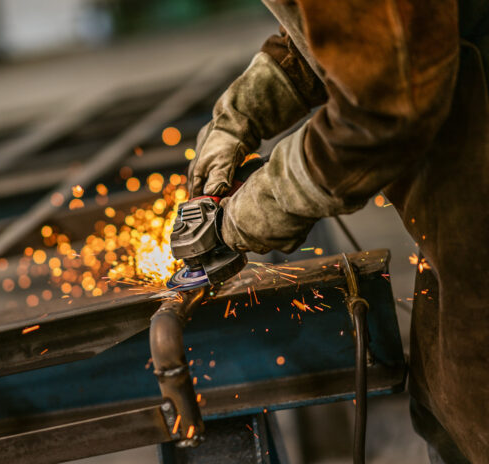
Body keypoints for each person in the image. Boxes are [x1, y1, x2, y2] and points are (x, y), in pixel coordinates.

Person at [188, 1, 489, 462]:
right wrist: (244, 111)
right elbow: (355, 28)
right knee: (442, 407)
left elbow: (382, 105)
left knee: (473, 414)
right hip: (461, 221)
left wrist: (268, 200)